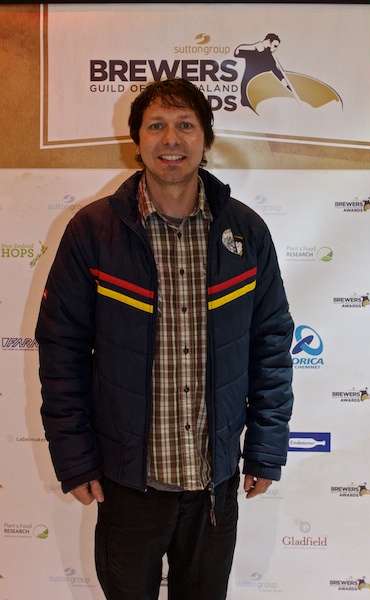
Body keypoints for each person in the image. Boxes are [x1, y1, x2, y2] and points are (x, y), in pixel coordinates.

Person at [36, 78, 294, 600]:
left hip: (213, 483)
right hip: (128, 483)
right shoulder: (92, 232)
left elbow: (270, 345)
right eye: (156, 126)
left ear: (206, 139)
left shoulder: (245, 232)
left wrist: (265, 449)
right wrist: (75, 457)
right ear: (137, 141)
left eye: (185, 125)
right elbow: (62, 350)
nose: (170, 139)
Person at [234, 33, 289, 109]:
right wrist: (254, 46)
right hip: (248, 90)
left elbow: (277, 73)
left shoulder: (269, 56)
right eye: (275, 46)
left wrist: (288, 87)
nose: (275, 49)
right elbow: (237, 52)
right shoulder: (253, 50)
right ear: (269, 42)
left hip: (260, 93)